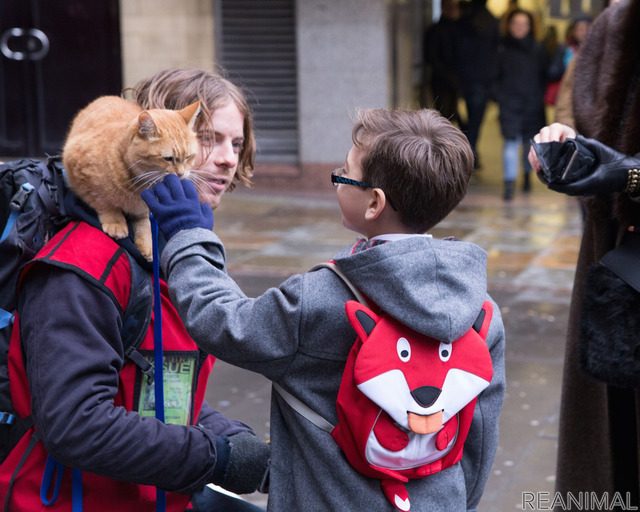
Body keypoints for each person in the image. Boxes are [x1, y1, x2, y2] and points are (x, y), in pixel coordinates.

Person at [142, 108, 506, 511]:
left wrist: (189, 236)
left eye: (344, 172)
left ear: (374, 203)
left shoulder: (321, 298)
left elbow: (223, 322)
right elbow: (479, 438)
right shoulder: (482, 312)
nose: (337, 177)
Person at [0, 68, 270, 511]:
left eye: (236, 144)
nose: (226, 158)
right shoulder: (85, 262)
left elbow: (153, 387)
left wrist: (231, 439)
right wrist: (216, 457)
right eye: (207, 138)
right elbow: (76, 424)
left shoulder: (168, 251)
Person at [528, 0, 640, 503]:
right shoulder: (613, 28)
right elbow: (572, 119)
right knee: (611, 462)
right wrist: (561, 147)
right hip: (614, 268)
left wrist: (631, 173)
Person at [491, 8, 548, 200]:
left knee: (529, 144)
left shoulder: (538, 49)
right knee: (510, 143)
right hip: (509, 103)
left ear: (530, 27)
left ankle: (526, 178)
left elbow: (545, 76)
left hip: (533, 104)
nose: (519, 28)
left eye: (524, 24)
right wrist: (500, 96)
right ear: (508, 26)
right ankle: (509, 185)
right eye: (516, 23)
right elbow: (492, 76)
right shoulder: (500, 48)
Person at [452, 0, 500, 170]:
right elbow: (495, 55)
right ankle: (469, 155)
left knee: (471, 119)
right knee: (475, 121)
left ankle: (469, 154)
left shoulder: (462, 22)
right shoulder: (493, 22)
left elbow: (457, 51)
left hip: (467, 78)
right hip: (483, 80)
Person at [423, 0, 462, 124]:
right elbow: (431, 56)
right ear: (443, 8)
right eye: (450, 7)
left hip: (455, 78)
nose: (453, 10)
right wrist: (448, 74)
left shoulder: (459, 29)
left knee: (452, 113)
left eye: (455, 7)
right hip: (441, 80)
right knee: (443, 114)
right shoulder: (435, 30)